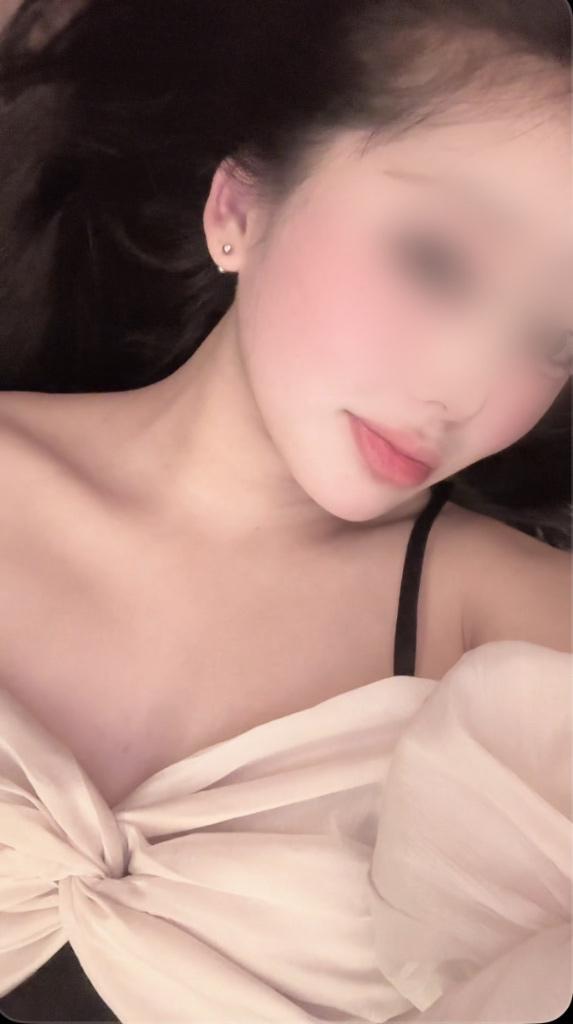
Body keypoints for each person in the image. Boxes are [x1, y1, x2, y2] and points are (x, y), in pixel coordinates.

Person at [0, 1, 571, 1021]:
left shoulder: (519, 627)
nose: (466, 385)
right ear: (240, 205)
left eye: (557, 338)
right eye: (437, 260)